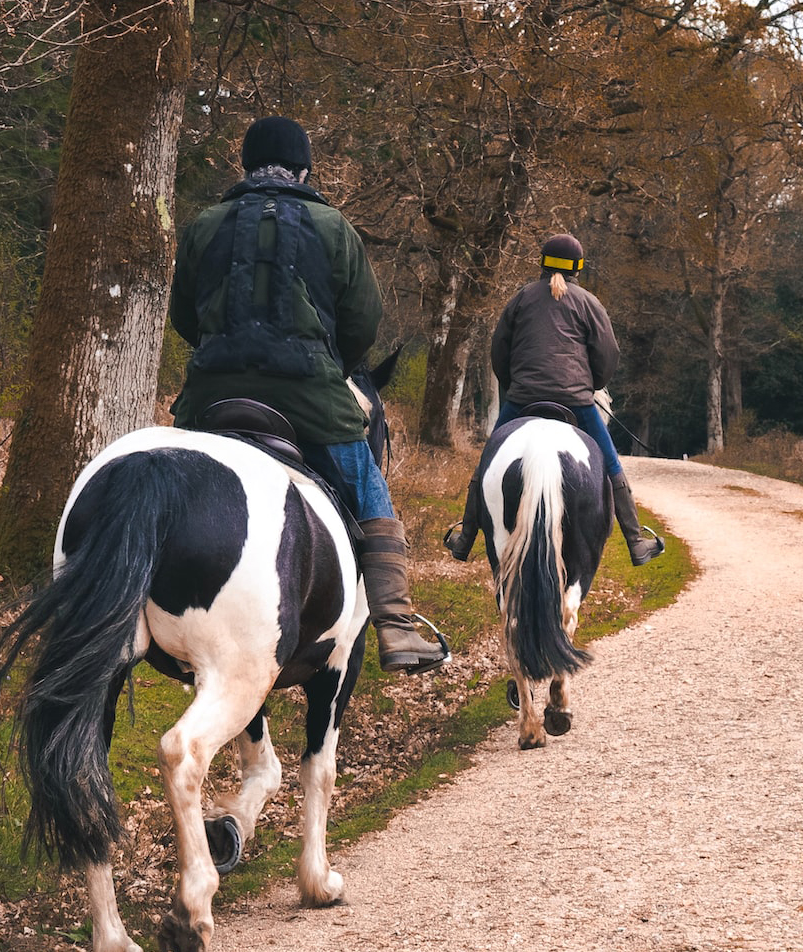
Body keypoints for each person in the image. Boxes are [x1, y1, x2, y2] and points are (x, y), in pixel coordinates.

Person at [165, 115, 447, 675]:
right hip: (312, 399)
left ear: (245, 166)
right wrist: (328, 362)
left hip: (209, 397)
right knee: (369, 491)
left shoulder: (205, 224)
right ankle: (395, 623)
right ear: (303, 168)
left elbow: (183, 317)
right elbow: (362, 324)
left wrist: (224, 350)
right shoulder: (333, 226)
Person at [442, 233, 664, 567]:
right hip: (576, 401)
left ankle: (465, 537)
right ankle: (635, 541)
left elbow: (499, 352)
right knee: (612, 464)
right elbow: (608, 354)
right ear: (578, 267)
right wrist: (593, 385)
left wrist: (514, 384)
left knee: (487, 460)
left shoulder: (520, 299)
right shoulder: (589, 303)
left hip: (522, 399)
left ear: (543, 262)